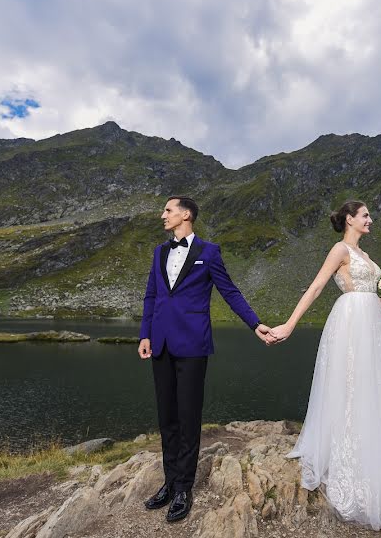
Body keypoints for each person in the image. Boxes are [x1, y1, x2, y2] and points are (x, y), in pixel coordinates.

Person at [268, 200, 381, 530]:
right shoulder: (339, 249)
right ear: (350, 219)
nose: (370, 220)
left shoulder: (365, 256)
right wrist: (289, 325)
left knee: (374, 383)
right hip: (350, 321)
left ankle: (376, 445)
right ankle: (349, 451)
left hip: (372, 321)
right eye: (365, 215)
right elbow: (319, 286)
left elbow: (363, 290)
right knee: (350, 382)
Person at [138, 196, 273, 523]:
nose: (163, 215)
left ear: (186, 214)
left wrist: (255, 323)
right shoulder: (159, 251)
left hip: (193, 346)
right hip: (160, 344)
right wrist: (145, 335)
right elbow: (152, 296)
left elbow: (230, 291)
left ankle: (184, 488)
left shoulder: (209, 252)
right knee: (167, 417)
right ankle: (169, 483)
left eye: (168, 210)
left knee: (187, 417)